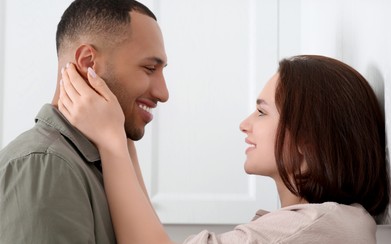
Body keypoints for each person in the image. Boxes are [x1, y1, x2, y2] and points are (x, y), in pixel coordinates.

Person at [58, 55, 390, 243]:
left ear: (308, 141)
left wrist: (111, 139)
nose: (245, 123)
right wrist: (123, 130)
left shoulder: (314, 227)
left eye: (262, 112)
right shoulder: (335, 221)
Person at [0, 0, 168, 243]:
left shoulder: (104, 162)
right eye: (149, 69)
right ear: (88, 62)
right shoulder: (46, 165)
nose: (163, 93)